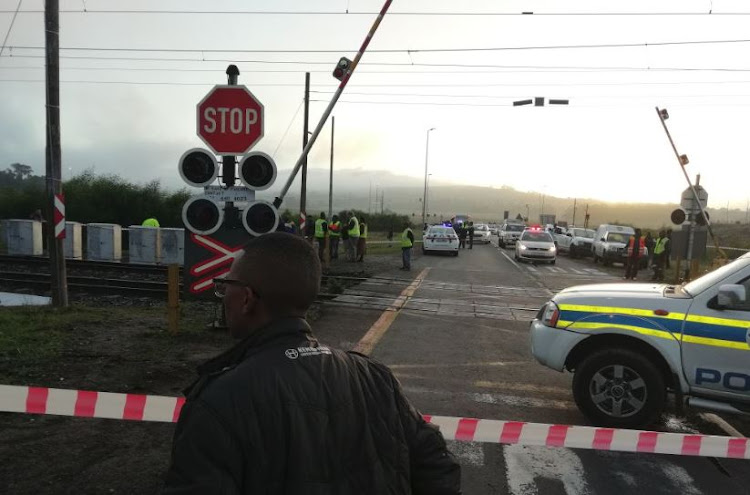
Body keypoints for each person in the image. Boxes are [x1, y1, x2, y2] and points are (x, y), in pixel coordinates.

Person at [163, 233, 460, 493]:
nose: (223, 294)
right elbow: (436, 463)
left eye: (226, 285)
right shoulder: (374, 376)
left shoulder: (218, 401)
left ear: (246, 299)